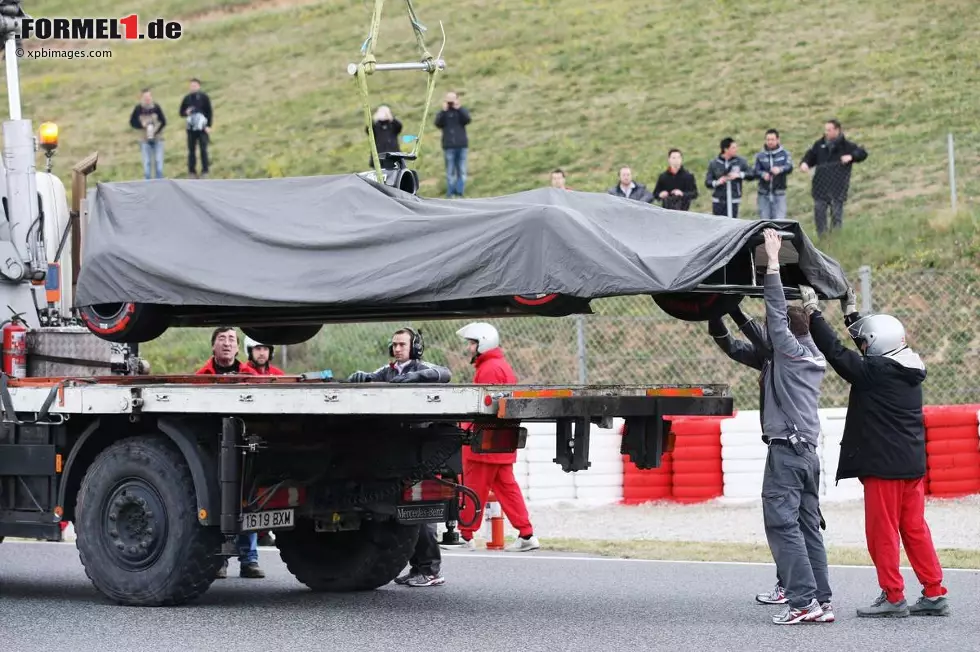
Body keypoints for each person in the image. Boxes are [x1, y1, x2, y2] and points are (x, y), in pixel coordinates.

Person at [800, 286, 950, 618]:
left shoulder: (876, 372)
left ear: (878, 346)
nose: (864, 347)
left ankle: (894, 596)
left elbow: (838, 354)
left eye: (867, 342)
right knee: (914, 529)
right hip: (911, 466)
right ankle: (934, 591)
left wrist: (813, 314)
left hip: (884, 469)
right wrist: (851, 315)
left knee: (881, 533)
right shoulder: (905, 367)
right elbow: (868, 351)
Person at [743, 229, 833, 624]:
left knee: (783, 525)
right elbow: (786, 322)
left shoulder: (792, 354)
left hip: (787, 451)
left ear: (785, 337)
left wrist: (774, 262)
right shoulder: (814, 356)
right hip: (808, 454)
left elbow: (777, 314)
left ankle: (802, 602)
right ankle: (821, 599)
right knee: (808, 527)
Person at [348, 328, 452, 588]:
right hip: (397, 445)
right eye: (394, 345)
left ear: (414, 347)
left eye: (402, 344)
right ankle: (419, 568)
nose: (397, 349)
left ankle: (430, 569)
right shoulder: (388, 370)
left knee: (422, 511)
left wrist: (417, 376)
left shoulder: (420, 366)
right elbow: (372, 377)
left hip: (420, 445)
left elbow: (444, 373)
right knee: (407, 512)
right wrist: (362, 377)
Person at [454, 322, 540, 553]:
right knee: (507, 489)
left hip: (485, 443)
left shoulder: (489, 369)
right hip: (499, 441)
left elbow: (482, 407)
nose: (469, 348)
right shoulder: (498, 365)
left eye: (472, 343)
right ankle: (526, 534)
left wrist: (466, 430)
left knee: (473, 488)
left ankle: (465, 536)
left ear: (483, 343)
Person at [195, 327, 264, 579]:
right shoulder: (201, 376)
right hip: (214, 450)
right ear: (213, 346)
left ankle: (250, 560)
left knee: (249, 503)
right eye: (222, 339)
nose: (227, 344)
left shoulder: (251, 375)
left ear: (238, 348)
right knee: (218, 504)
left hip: (246, 451)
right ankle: (220, 561)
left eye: (231, 340)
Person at [799, 119, 868, 237]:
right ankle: (823, 239)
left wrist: (851, 156)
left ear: (837, 130)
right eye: (825, 130)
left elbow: (862, 153)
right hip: (820, 186)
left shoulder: (846, 145)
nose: (826, 132)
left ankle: (836, 238)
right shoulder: (819, 145)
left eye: (829, 130)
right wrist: (805, 163)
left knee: (836, 214)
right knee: (819, 212)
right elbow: (810, 156)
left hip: (838, 186)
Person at [705, 137, 755, 218]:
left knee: (733, 226)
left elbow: (752, 174)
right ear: (725, 149)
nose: (736, 149)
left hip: (734, 200)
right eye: (733, 148)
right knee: (719, 226)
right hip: (718, 201)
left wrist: (739, 175)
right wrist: (718, 182)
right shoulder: (714, 163)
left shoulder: (741, 161)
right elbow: (707, 182)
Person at [434, 91, 471, 198]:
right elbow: (437, 123)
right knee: (450, 171)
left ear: (457, 99)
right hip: (448, 146)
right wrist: (443, 111)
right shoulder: (443, 113)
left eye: (452, 99)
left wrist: (458, 108)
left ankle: (459, 192)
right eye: (448, 100)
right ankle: (450, 193)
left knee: (462, 170)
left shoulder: (461, 111)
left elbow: (467, 119)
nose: (450, 102)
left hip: (461, 145)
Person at [753, 129, 793, 220]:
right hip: (763, 194)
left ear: (778, 140)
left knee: (780, 221)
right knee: (765, 221)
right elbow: (755, 171)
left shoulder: (785, 154)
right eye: (768, 139)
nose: (770, 142)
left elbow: (789, 167)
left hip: (779, 193)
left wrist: (780, 169)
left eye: (772, 139)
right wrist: (763, 175)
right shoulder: (760, 155)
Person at [179, 78, 213, 178]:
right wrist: (186, 112)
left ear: (199, 86)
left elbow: (209, 112)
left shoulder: (204, 97)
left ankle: (205, 170)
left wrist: (209, 126)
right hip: (191, 128)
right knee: (191, 150)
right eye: (191, 85)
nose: (193, 87)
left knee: (203, 149)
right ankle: (192, 171)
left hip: (202, 128)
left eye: (195, 85)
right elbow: (181, 112)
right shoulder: (187, 98)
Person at [129, 88, 166, 180]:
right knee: (147, 164)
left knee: (159, 164)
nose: (147, 99)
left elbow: (164, 121)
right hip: (144, 140)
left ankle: (160, 184)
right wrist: (141, 125)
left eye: (149, 96)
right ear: (141, 98)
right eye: (145, 97)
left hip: (158, 140)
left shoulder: (156, 107)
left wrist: (155, 130)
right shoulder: (138, 109)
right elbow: (132, 122)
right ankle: (147, 186)